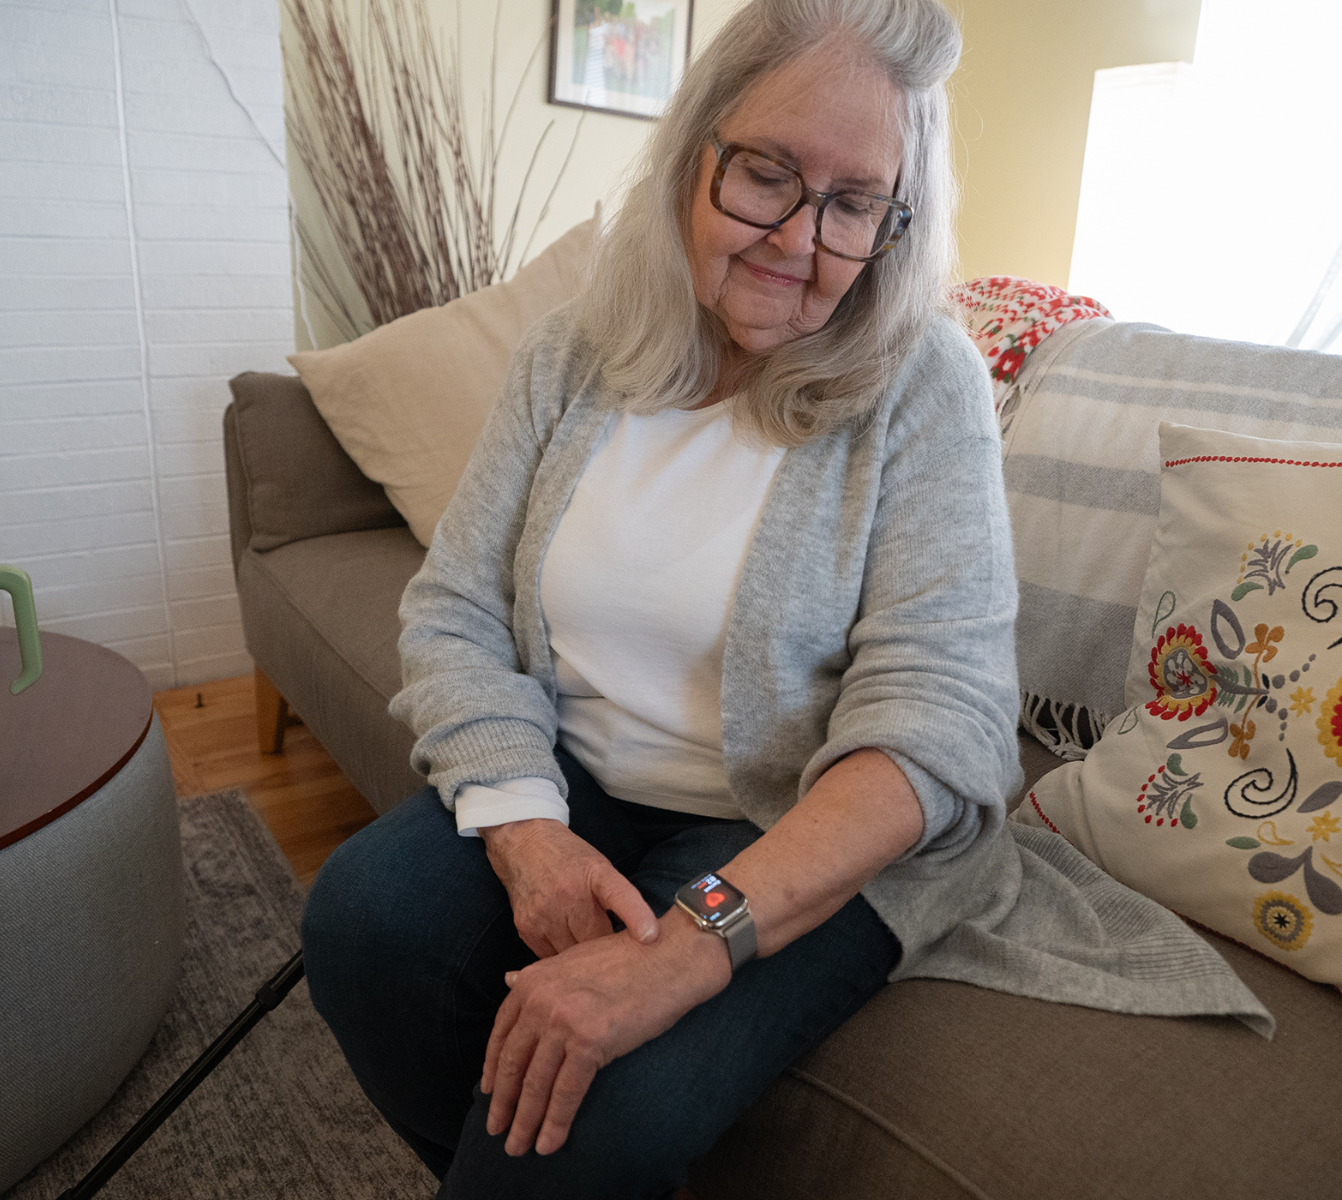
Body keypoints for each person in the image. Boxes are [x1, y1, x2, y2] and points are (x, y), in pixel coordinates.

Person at [301, 2, 1269, 1197]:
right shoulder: (573, 353)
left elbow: (944, 721)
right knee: (360, 922)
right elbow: (452, 608)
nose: (799, 240)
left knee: (602, 1104)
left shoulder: (925, 387)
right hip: (580, 778)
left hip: (790, 830)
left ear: (895, 219)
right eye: (766, 174)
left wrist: (690, 948)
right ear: (696, 150)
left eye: (855, 203)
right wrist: (528, 832)